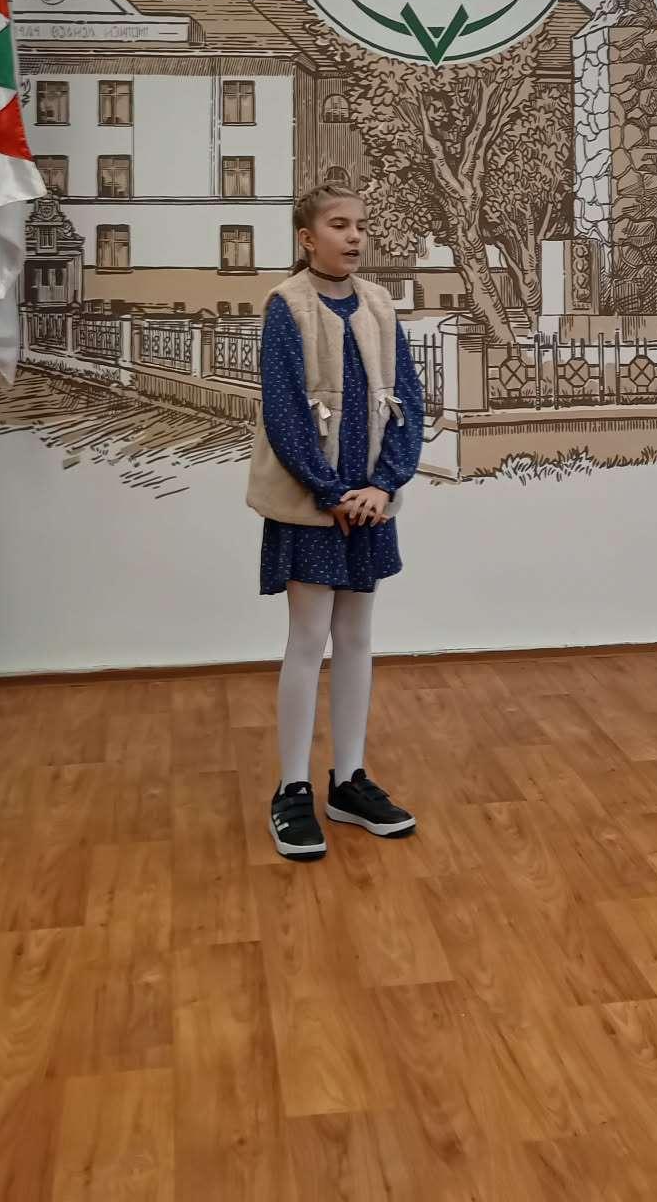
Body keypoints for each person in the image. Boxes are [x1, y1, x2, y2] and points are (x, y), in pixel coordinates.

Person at [246, 177, 425, 861]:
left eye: (360, 225)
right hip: (311, 506)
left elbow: (407, 399)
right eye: (339, 225)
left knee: (355, 637)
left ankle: (348, 780)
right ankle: (291, 788)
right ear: (307, 238)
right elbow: (285, 412)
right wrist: (330, 492)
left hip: (368, 505)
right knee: (307, 638)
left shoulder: (378, 304)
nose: (354, 236)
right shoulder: (285, 307)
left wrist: (382, 484)